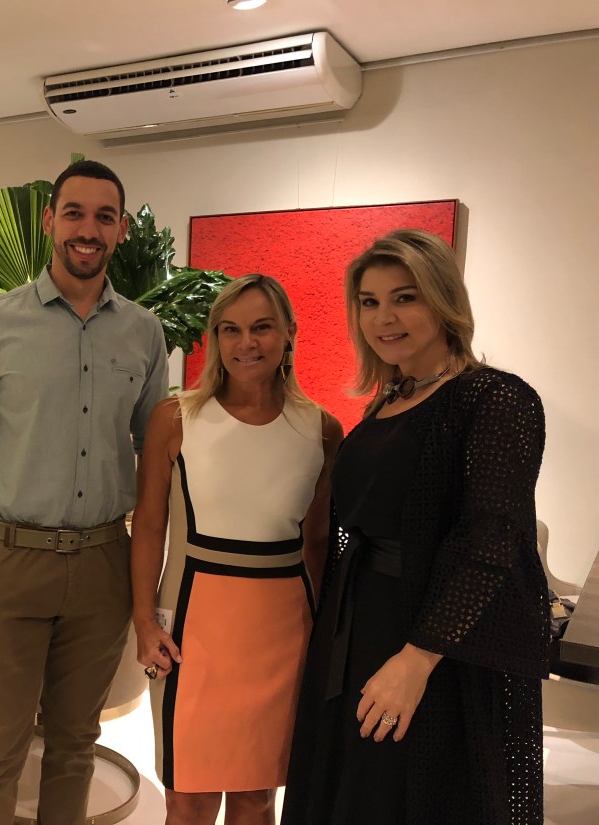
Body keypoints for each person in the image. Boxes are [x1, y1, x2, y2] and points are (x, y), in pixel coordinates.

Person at [0, 159, 169, 825]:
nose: (88, 229)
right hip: (11, 560)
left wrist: (145, 582)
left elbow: (155, 453)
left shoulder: (143, 333)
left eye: (104, 216)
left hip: (102, 564)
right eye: (75, 213)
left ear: (121, 229)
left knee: (74, 745)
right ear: (49, 221)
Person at [281, 229, 548, 825]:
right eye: (369, 302)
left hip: (435, 642)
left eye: (405, 297)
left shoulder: (494, 399)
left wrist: (418, 659)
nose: (384, 317)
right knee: (354, 789)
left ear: (443, 298)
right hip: (360, 624)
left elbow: (492, 542)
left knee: (408, 794)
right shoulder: (389, 398)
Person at [131, 274, 342, 825]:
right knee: (188, 798)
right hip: (190, 629)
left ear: (289, 333)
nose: (246, 343)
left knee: (257, 796)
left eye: (261, 328)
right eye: (231, 330)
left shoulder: (321, 429)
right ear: (215, 338)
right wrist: (144, 621)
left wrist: (328, 637)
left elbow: (318, 542)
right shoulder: (175, 418)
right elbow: (149, 526)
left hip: (282, 634)